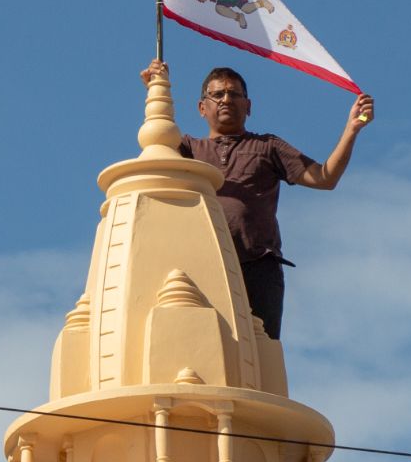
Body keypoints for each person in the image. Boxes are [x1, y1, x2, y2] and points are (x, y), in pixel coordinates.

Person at [143, 60, 372, 339]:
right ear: (202, 108)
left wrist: (352, 128)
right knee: (204, 343)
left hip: (258, 266)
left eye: (234, 94)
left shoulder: (267, 146)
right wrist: (157, 88)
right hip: (202, 262)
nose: (226, 99)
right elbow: (157, 148)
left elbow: (324, 178)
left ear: (248, 106)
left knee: (262, 349)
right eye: (217, 95)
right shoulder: (189, 148)